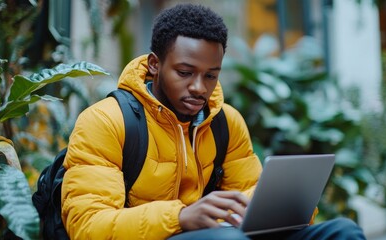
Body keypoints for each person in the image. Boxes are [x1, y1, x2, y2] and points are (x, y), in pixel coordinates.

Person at [61, 3, 366, 240]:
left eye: (211, 75)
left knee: (342, 231)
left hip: (221, 233)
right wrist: (180, 217)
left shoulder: (226, 122)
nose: (199, 87)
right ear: (155, 65)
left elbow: (250, 194)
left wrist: (281, 209)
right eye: (184, 72)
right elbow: (88, 227)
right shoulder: (106, 121)